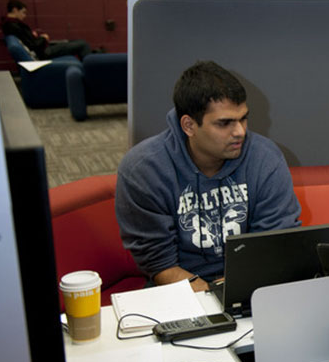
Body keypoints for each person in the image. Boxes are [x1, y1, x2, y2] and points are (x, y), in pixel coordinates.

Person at [116, 61, 301, 292]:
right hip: (179, 289)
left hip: (251, 283)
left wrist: (233, 291)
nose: (240, 132)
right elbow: (160, 264)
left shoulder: (266, 158)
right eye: (225, 123)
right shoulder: (143, 170)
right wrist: (212, 296)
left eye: (243, 118)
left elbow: (272, 246)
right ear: (189, 125)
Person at [0, 0, 91, 59]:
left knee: (73, 42)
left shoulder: (9, 25)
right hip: (43, 52)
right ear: (15, 10)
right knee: (82, 44)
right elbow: (33, 45)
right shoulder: (14, 25)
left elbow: (28, 41)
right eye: (23, 12)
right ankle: (92, 72)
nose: (24, 16)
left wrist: (33, 36)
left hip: (41, 50)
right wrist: (43, 38)